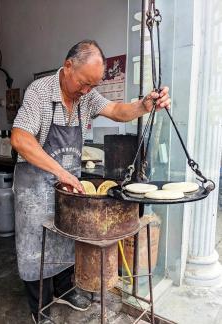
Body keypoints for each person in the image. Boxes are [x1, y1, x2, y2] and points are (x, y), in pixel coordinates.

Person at [11, 39, 171, 323]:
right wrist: (60, 171)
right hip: (35, 187)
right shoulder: (40, 92)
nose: (86, 91)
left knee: (65, 237)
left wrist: (145, 106)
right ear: (68, 66)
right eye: (84, 83)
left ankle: (65, 289)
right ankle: (40, 308)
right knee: (37, 247)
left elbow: (118, 111)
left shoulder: (86, 95)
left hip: (66, 186)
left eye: (92, 86)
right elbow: (20, 138)